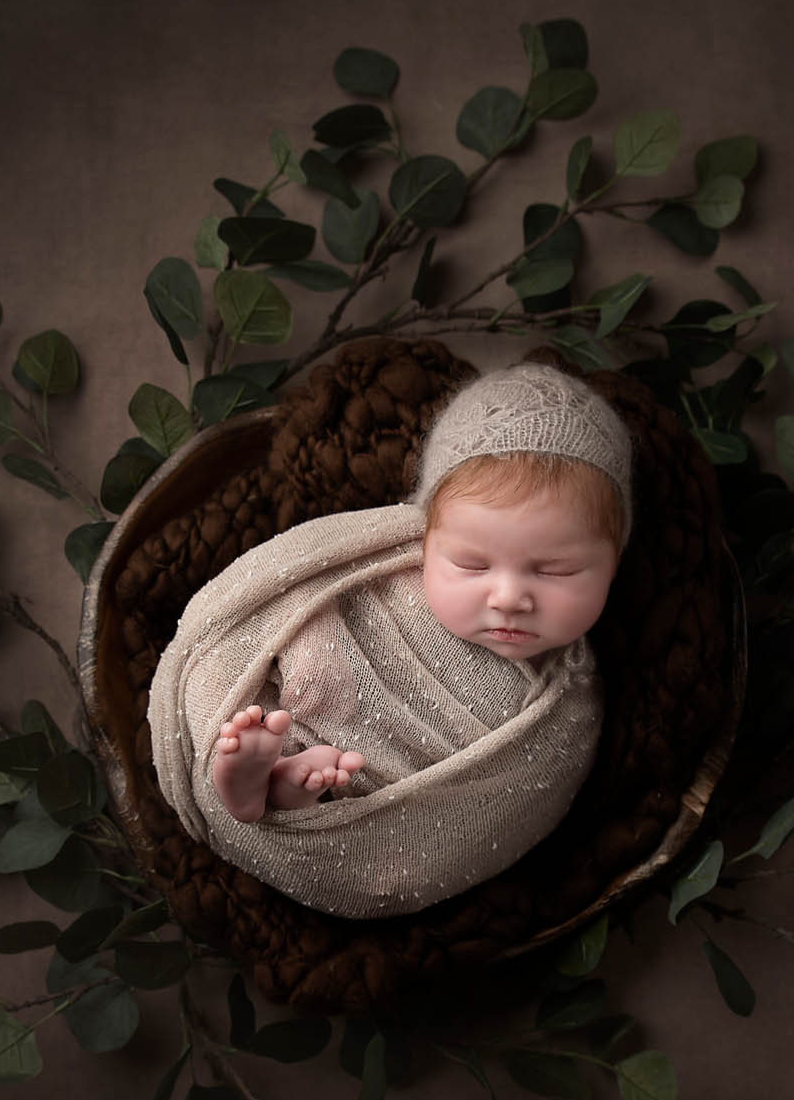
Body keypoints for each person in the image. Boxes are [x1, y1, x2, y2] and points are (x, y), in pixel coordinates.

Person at [147, 360, 634, 919]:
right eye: (471, 565)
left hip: (384, 805)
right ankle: (254, 777)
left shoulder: (566, 704)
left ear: (613, 564)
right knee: (292, 664)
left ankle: (287, 796)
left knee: (351, 791)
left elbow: (514, 805)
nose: (508, 597)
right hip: (299, 701)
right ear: (424, 535)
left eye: (554, 572)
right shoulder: (374, 562)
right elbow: (268, 596)